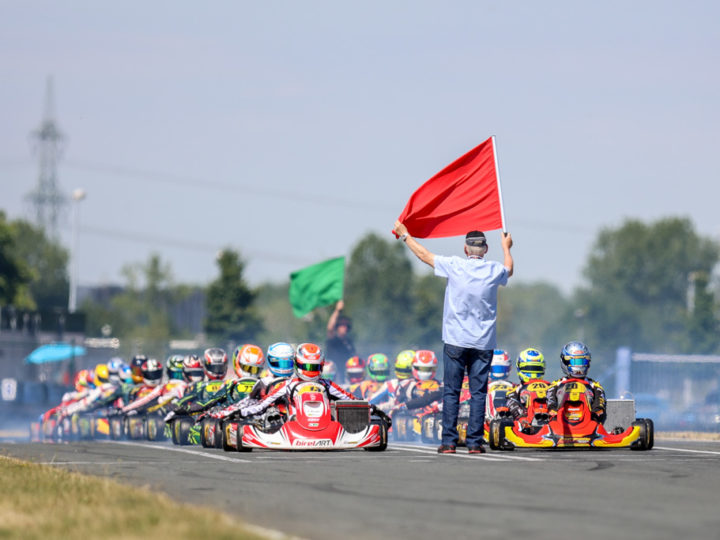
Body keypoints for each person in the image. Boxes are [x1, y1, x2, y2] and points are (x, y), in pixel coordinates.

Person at [393, 220, 513, 454]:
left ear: (465, 249)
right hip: (483, 343)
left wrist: (405, 235)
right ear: (486, 250)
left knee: (452, 391)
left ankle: (448, 442)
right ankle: (475, 443)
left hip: (455, 341)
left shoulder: (455, 265)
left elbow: (424, 256)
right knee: (478, 393)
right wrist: (507, 247)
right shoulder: (493, 270)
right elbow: (509, 269)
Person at [547, 341, 606, 423]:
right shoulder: (555, 385)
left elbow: (600, 405)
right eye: (576, 362)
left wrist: (595, 414)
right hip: (560, 425)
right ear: (566, 362)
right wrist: (553, 412)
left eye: (583, 362)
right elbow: (550, 403)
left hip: (589, 424)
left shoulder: (594, 385)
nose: (580, 366)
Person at [325, 300, 356, 383]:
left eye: (346, 326)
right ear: (337, 327)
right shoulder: (333, 340)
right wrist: (337, 310)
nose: (344, 328)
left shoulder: (349, 342)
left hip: (346, 375)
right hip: (332, 375)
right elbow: (330, 328)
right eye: (342, 325)